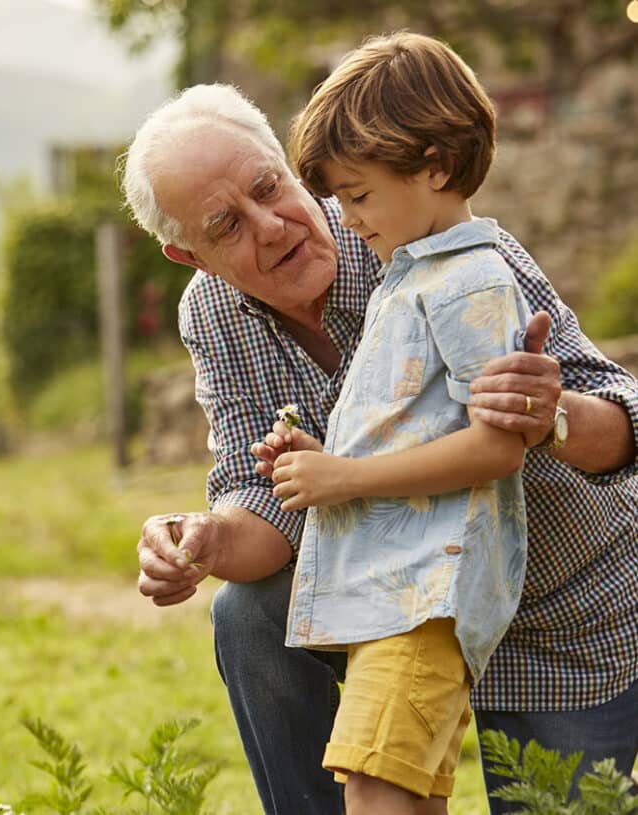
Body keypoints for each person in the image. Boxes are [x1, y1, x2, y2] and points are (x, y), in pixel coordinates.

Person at [122, 77, 638, 814]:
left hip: (553, 612)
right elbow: (261, 498)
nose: (270, 226)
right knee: (248, 612)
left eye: (270, 188)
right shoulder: (213, 314)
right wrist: (200, 539)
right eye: (227, 226)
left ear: (289, 163)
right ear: (190, 256)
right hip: (399, 605)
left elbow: (627, 419)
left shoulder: (431, 237)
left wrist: (550, 412)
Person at [244, 32, 532, 813]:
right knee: (397, 792)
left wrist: (347, 477)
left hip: (426, 593)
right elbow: (414, 426)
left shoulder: (471, 279)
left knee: (374, 788)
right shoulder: (411, 274)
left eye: (360, 195)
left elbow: (497, 445)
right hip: (393, 592)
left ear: (435, 166)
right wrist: (319, 458)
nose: (346, 217)